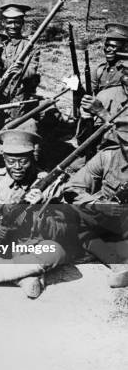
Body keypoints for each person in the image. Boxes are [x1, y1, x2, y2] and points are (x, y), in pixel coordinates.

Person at [0, 129, 76, 299]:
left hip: (27, 246)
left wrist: (43, 206)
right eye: (11, 161)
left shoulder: (49, 184)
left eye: (23, 162)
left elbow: (62, 230)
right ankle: (23, 276)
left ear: (32, 158)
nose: (17, 167)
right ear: (3, 159)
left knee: (56, 252)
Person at [63, 117, 128, 288]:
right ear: (119, 139)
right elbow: (72, 188)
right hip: (107, 219)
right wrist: (97, 204)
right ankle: (117, 263)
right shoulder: (107, 157)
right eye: (127, 143)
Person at [0, 3, 40, 95]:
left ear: (22, 23)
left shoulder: (30, 46)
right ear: (3, 22)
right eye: (9, 22)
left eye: (17, 22)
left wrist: (3, 64)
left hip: (19, 93)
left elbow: (30, 73)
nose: (13, 26)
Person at [80, 52, 128, 128]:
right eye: (126, 73)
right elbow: (84, 138)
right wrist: (85, 119)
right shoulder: (105, 96)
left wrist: (102, 113)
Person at [92, 23, 128, 94]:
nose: (107, 49)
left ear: (125, 48)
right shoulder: (100, 70)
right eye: (106, 45)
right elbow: (89, 93)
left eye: (113, 46)